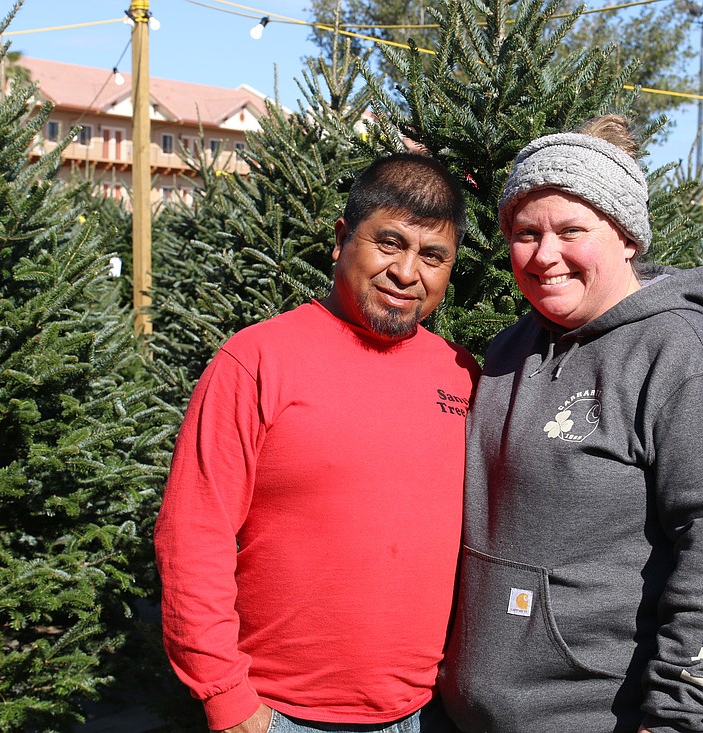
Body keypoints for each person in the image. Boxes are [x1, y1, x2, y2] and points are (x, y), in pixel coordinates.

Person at [439, 115, 703, 733]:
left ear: (625, 236)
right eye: (525, 232)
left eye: (572, 230)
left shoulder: (688, 365)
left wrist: (684, 717)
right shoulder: (507, 351)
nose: (546, 256)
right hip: (475, 718)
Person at [154, 152, 480, 733]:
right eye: (389, 243)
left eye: (433, 256)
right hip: (280, 716)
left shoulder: (461, 375)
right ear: (341, 239)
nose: (408, 273)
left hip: (426, 714)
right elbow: (192, 536)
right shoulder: (255, 361)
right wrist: (229, 702)